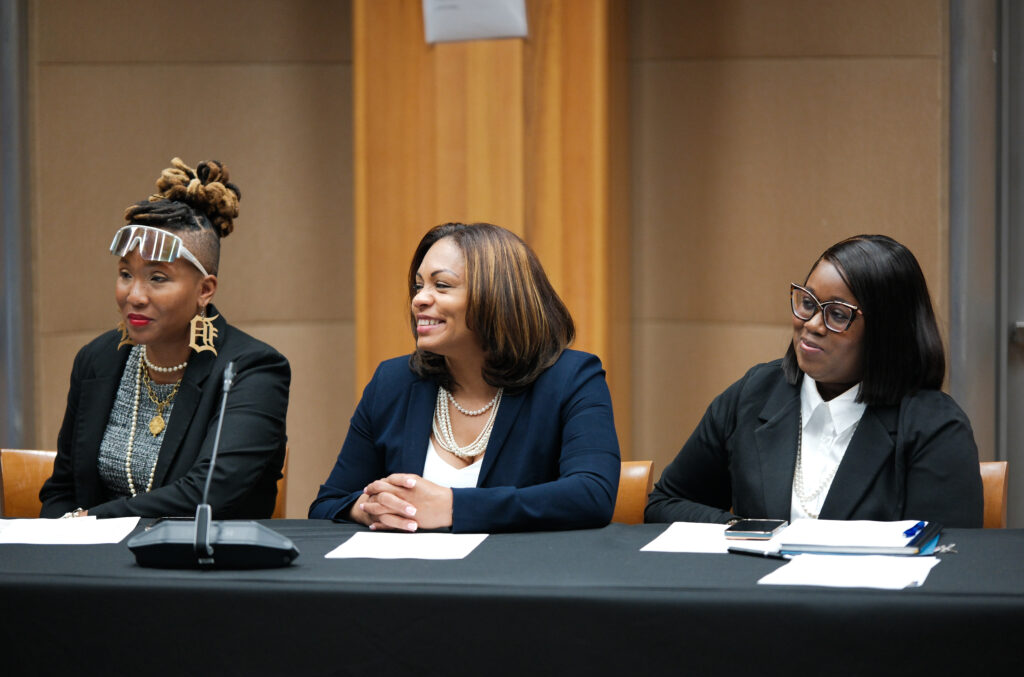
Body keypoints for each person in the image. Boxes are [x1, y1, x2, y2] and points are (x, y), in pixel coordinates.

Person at [645, 234, 983, 528]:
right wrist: (745, 530)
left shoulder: (935, 427)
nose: (812, 324)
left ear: (887, 334)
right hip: (758, 597)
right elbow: (665, 503)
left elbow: (948, 560)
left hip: (869, 602)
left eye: (837, 314)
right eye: (807, 303)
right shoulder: (754, 394)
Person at [309, 222, 620, 532]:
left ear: (499, 297)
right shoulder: (392, 382)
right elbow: (329, 503)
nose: (419, 299)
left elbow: (591, 495)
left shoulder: (571, 378)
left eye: (441, 285)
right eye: (419, 286)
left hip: (521, 574)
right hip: (408, 577)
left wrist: (454, 507)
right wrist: (371, 509)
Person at [39, 158, 290, 519]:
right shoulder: (96, 360)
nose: (135, 295)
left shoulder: (252, 369)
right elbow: (62, 489)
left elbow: (209, 492)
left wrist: (90, 523)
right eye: (126, 273)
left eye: (157, 278)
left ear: (205, 290)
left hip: (200, 566)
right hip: (97, 568)